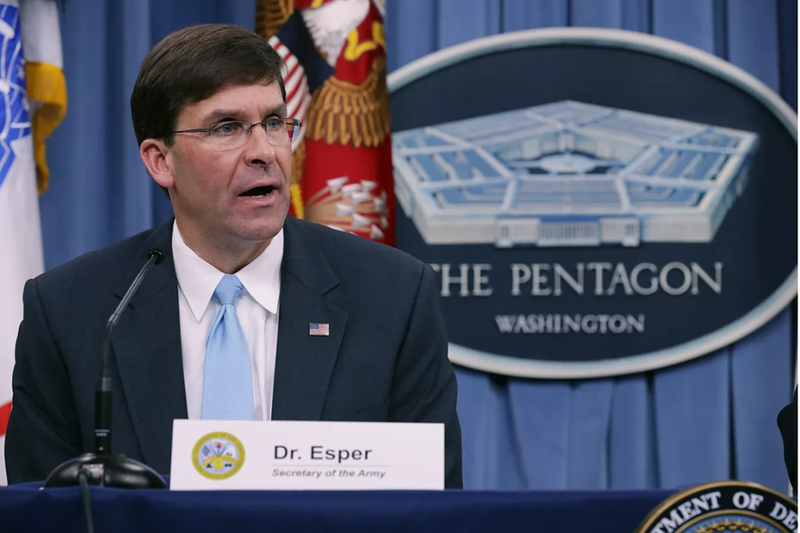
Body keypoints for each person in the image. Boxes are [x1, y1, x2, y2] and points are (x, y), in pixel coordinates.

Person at [5, 24, 462, 488]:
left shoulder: (393, 297)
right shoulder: (71, 313)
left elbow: (432, 502)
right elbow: (39, 508)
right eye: (227, 128)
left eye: (274, 123)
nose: (264, 152)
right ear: (160, 160)